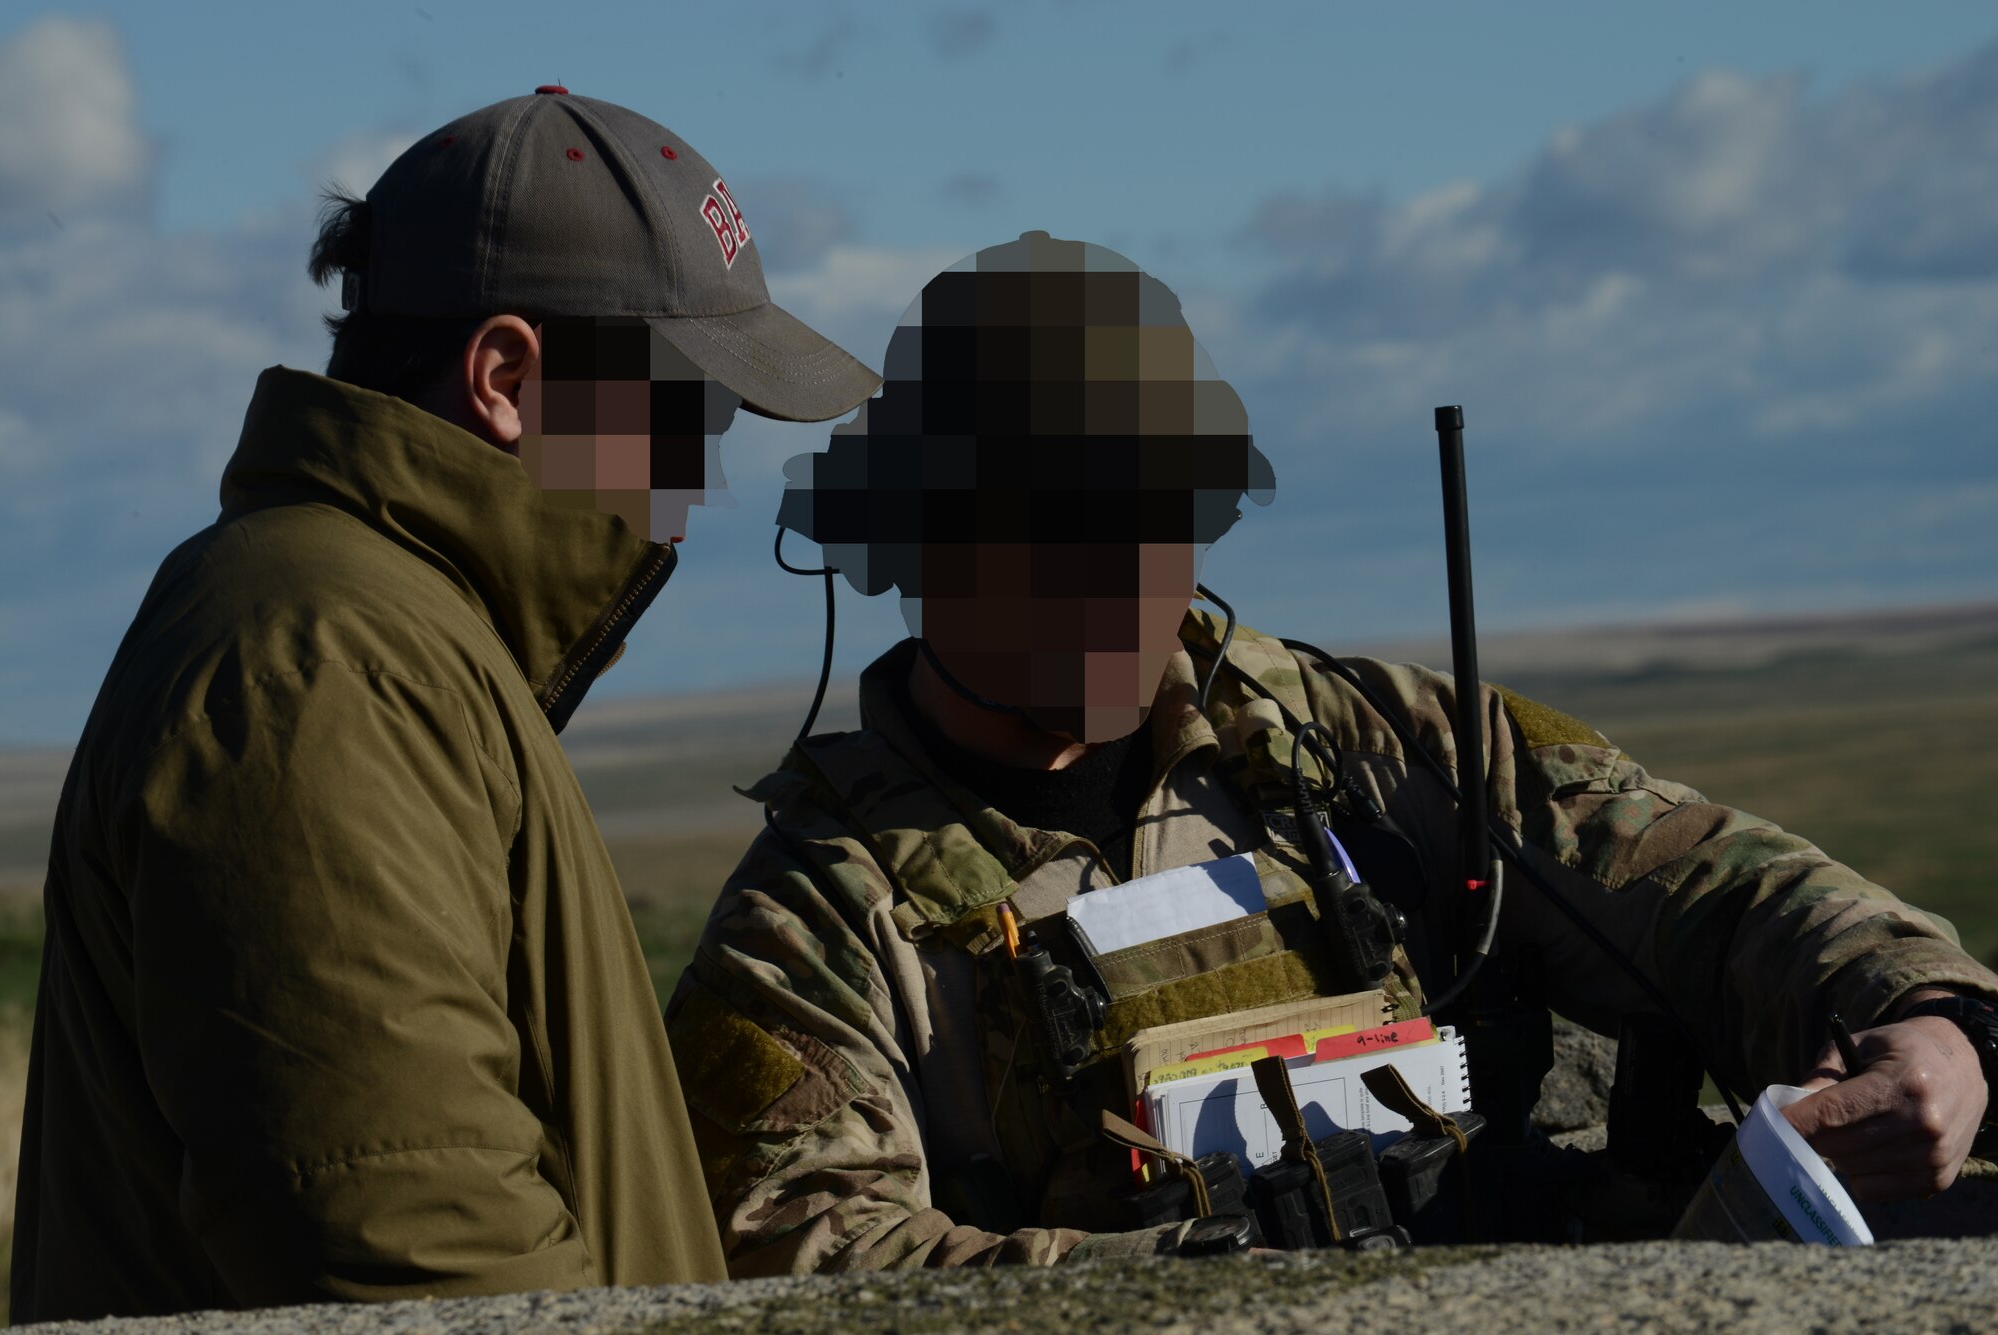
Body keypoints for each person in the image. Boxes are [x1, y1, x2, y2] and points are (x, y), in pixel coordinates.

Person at [666, 231, 1998, 1274]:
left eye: (1158, 508)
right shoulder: (817, 924)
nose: (1123, 571)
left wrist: (1926, 1018)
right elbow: (814, 1263)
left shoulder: (1356, 742)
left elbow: (1708, 880)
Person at [12, 88, 881, 1322]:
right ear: (507, 377)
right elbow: (420, 1245)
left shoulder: (376, 635)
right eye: (686, 411)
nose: (696, 485)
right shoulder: (324, 667)